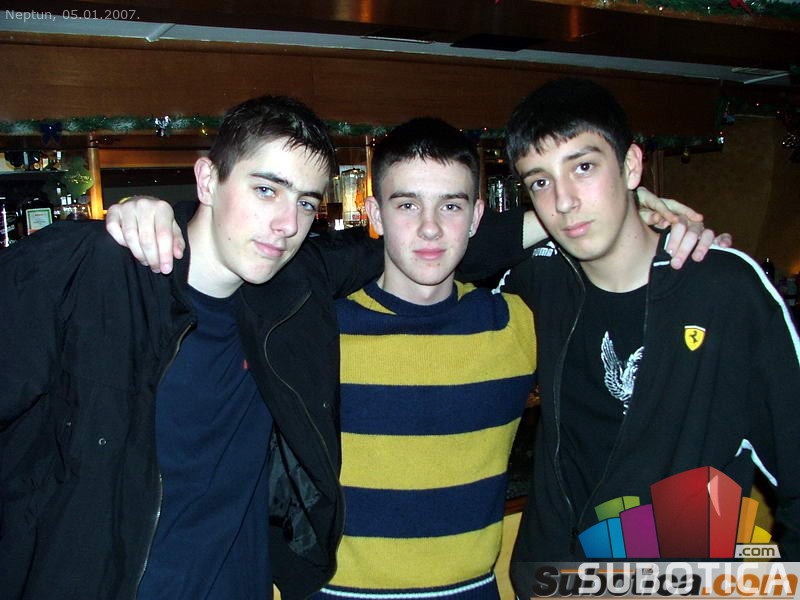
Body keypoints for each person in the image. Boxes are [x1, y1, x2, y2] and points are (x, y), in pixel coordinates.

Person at [0, 94, 383, 600]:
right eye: (266, 190)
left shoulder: (293, 287)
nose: (288, 224)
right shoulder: (91, 269)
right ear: (207, 181)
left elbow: (423, 244)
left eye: (306, 202)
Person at [480, 78, 800, 589]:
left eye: (584, 167)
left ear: (631, 164)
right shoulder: (540, 277)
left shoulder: (723, 289)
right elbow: (437, 251)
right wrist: (565, 214)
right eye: (540, 181)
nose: (564, 201)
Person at [314, 117, 536, 599]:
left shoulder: (515, 326)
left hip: (472, 590)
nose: (430, 227)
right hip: (340, 594)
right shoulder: (318, 335)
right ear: (374, 215)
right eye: (407, 204)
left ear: (477, 217)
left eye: (450, 205)